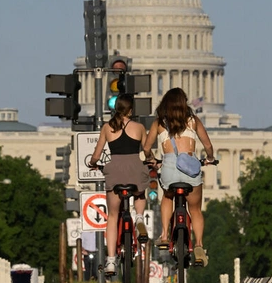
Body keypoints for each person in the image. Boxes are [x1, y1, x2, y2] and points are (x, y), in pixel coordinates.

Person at [143, 87, 215, 267]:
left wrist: (152, 160)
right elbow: (208, 145)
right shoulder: (193, 121)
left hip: (168, 170)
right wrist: (210, 159)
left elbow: (146, 148)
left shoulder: (159, 123)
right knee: (196, 209)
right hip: (190, 170)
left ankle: (165, 234)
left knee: (167, 197)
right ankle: (198, 244)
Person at [89, 93, 150, 274]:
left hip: (114, 171)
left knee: (113, 216)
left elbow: (97, 154)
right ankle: (139, 217)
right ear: (130, 110)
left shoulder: (108, 128)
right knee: (140, 191)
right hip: (134, 169)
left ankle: (110, 261)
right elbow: (147, 152)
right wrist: (153, 160)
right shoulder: (139, 127)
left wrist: (93, 163)